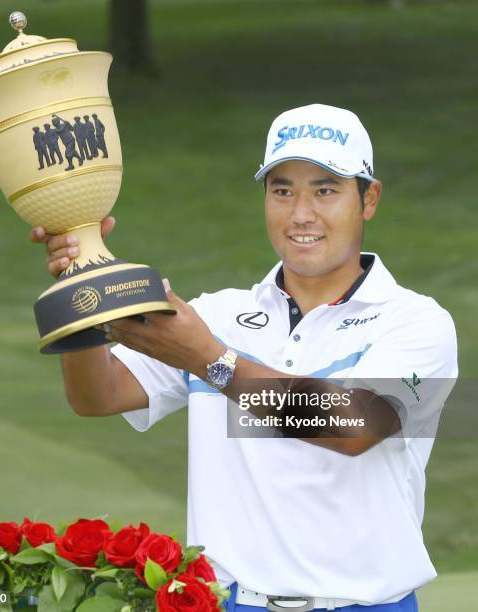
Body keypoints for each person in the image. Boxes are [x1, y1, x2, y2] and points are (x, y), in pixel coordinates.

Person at [31, 104, 458, 611]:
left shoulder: (416, 321)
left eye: (325, 190)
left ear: (369, 199)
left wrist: (212, 360)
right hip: (230, 602)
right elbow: (97, 395)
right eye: (283, 191)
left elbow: (354, 427)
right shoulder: (219, 314)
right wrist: (82, 288)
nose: (301, 213)